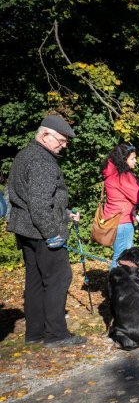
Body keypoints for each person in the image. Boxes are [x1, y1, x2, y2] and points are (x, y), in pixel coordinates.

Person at [6, 114, 86, 347]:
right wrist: (52, 232)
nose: (64, 145)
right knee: (59, 278)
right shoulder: (42, 161)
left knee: (36, 280)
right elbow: (39, 204)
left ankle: (35, 332)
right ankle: (56, 334)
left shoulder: (25, 155)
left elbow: (34, 198)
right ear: (44, 135)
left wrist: (64, 212)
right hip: (42, 231)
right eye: (60, 140)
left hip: (27, 229)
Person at [101, 144, 139, 269]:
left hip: (114, 220)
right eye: (132, 158)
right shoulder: (122, 176)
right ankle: (115, 286)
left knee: (119, 255)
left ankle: (117, 285)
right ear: (123, 160)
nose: (135, 161)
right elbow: (137, 197)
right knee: (121, 257)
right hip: (123, 221)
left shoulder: (111, 174)